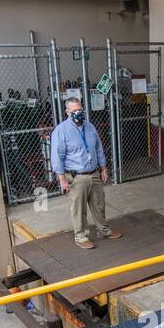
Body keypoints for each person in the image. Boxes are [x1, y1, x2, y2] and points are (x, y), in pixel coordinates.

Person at [50, 97, 121, 249]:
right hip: (76, 177)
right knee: (79, 209)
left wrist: (103, 167)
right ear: (67, 112)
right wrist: (62, 179)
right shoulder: (61, 131)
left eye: (80, 109)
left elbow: (98, 148)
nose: (78, 112)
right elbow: (57, 156)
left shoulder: (90, 127)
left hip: (94, 173)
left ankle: (103, 230)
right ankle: (81, 236)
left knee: (99, 204)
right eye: (74, 110)